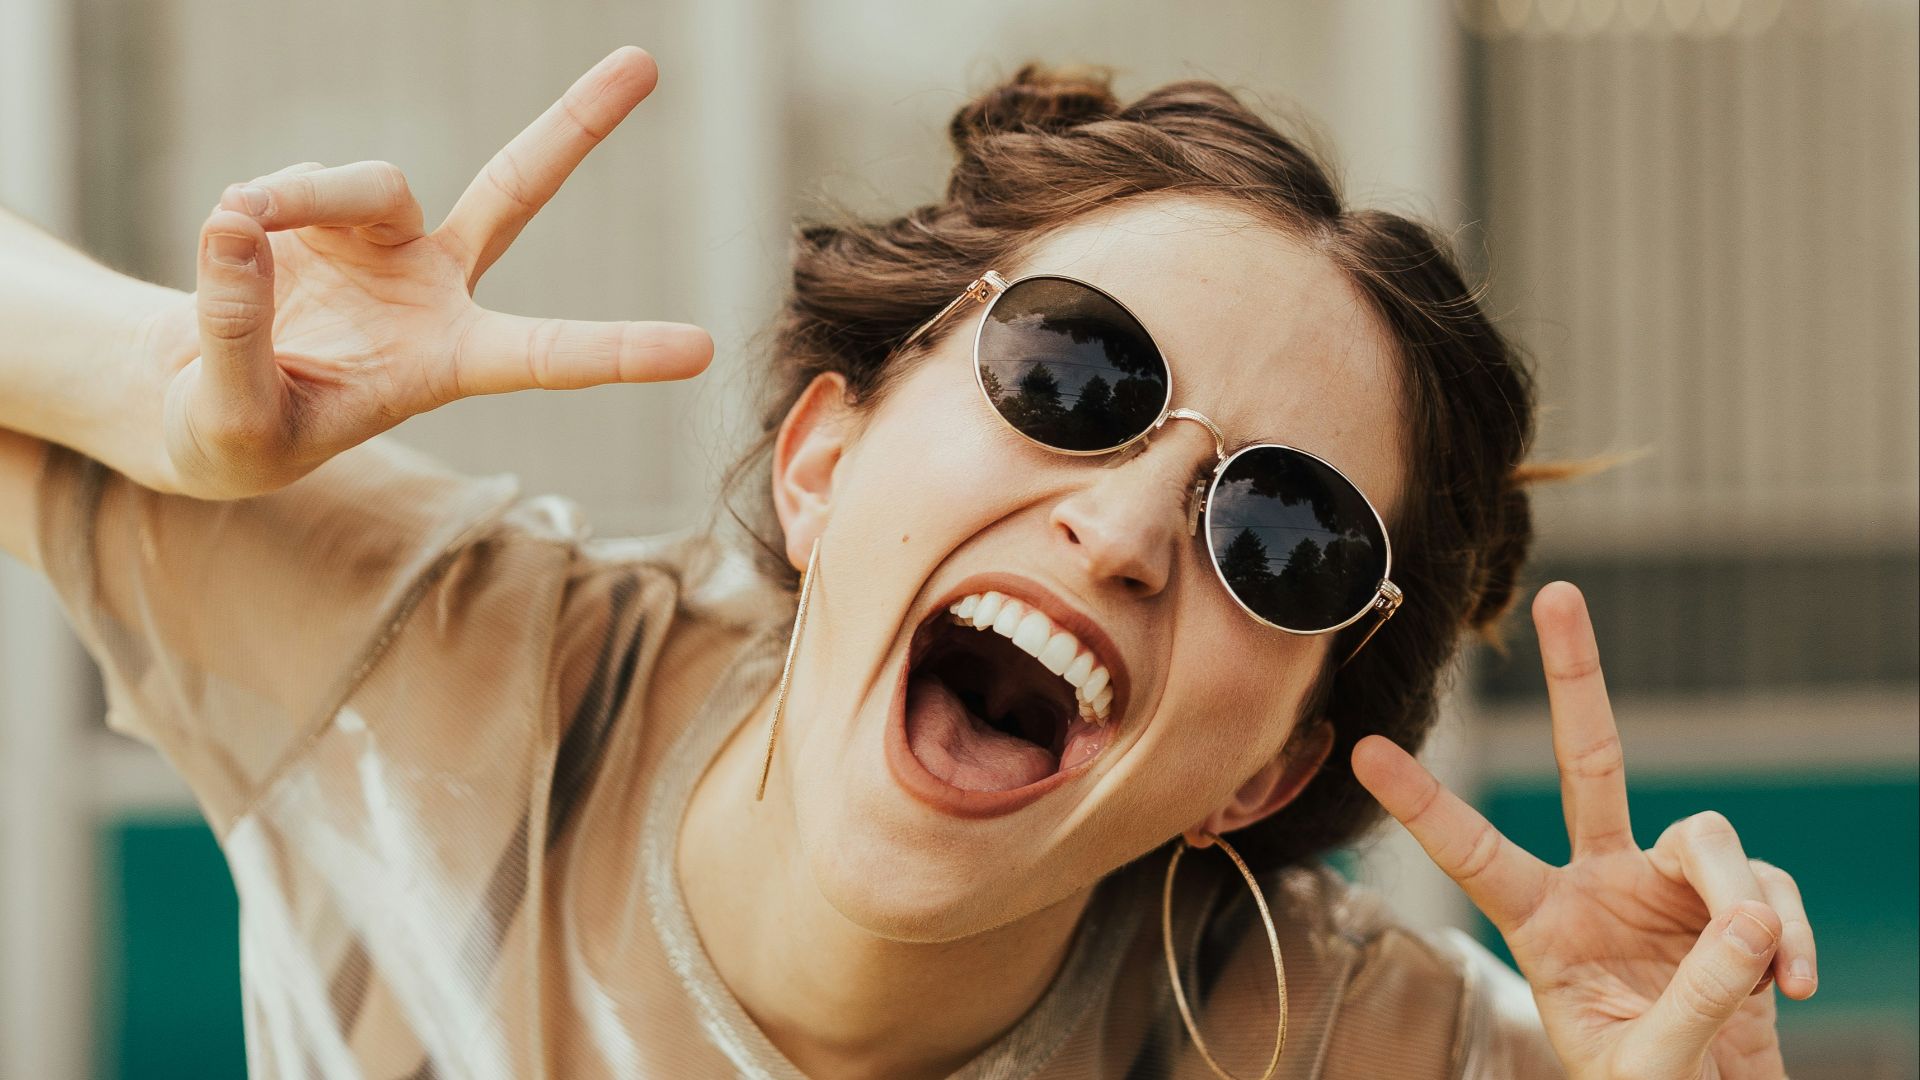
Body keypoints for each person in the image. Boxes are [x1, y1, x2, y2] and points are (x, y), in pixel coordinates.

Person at [0, 46, 1818, 1080]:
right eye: (1075, 374)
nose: (1117, 533)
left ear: (1263, 769)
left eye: (1280, 535)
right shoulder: (444, 667)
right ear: (826, 453)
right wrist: (163, 392)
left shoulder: (1347, 1048)